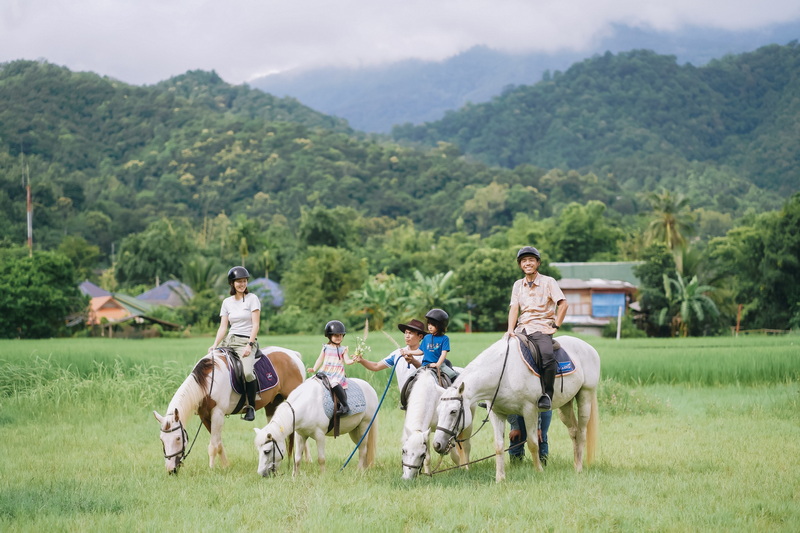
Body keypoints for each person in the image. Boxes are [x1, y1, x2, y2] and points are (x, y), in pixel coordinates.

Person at [505, 246, 568, 410]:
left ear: (538, 263)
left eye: (531, 260)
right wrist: (510, 329)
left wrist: (555, 326)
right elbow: (514, 308)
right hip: (521, 328)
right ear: (520, 265)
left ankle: (547, 394)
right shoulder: (518, 285)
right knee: (503, 352)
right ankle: (501, 395)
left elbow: (563, 304)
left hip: (541, 327)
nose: (527, 263)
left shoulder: (548, 282)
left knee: (547, 355)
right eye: (524, 261)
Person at [210, 266, 262, 421]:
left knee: (247, 372)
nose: (242, 284)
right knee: (212, 365)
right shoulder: (227, 302)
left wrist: (249, 345)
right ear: (232, 283)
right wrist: (215, 344)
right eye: (239, 281)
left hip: (246, 341)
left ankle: (251, 407)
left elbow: (256, 325)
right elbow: (223, 327)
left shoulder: (253, 299)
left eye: (244, 281)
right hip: (229, 341)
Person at [353, 319, 426, 391]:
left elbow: (427, 373)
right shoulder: (398, 354)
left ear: (420, 337)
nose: (407, 336)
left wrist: (413, 361)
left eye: (410, 333)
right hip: (405, 398)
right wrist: (362, 361)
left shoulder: (426, 354)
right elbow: (376, 366)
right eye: (406, 333)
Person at [307, 320, 355, 415]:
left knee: (334, 384)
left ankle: (345, 405)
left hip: (337, 374)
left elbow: (347, 361)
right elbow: (320, 359)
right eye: (336, 335)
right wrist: (314, 368)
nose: (339, 337)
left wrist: (354, 360)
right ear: (329, 336)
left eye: (341, 335)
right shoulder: (325, 347)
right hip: (325, 372)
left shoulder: (343, 349)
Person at [404, 308, 458, 382]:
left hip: (440, 366)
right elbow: (420, 351)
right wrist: (409, 352)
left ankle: (455, 392)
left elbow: (443, 354)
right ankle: (405, 394)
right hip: (425, 365)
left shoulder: (444, 339)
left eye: (433, 325)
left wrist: (437, 364)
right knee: (410, 379)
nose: (429, 327)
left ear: (440, 326)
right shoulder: (426, 337)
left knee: (454, 376)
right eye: (429, 324)